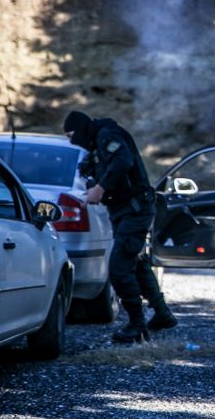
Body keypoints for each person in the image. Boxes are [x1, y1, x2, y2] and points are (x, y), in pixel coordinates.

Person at [63, 111, 177, 344]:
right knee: (134, 264)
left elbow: (123, 161)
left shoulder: (108, 134)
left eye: (72, 135)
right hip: (124, 212)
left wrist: (101, 189)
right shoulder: (96, 145)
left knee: (118, 268)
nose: (72, 141)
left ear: (82, 128)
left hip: (135, 212)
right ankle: (162, 314)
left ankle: (137, 325)